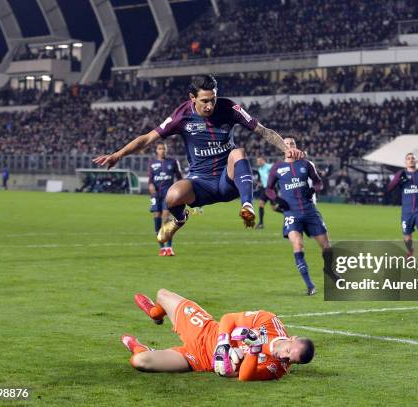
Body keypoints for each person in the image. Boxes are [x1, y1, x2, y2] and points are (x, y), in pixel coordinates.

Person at [93, 75, 303, 246]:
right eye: (204, 101)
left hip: (226, 179)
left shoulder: (230, 108)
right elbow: (148, 138)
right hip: (200, 182)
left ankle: (247, 206)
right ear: (192, 97)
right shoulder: (181, 116)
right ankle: (180, 219)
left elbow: (263, 131)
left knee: (238, 152)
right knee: (172, 196)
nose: (210, 105)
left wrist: (287, 148)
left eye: (213, 99)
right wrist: (118, 154)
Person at [120, 289, 315, 381]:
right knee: (162, 294)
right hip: (205, 329)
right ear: (292, 338)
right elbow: (229, 318)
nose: (285, 357)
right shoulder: (269, 321)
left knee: (139, 361)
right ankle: (155, 314)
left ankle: (141, 347)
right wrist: (223, 343)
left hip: (199, 359)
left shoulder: (276, 368)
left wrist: (254, 350)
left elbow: (245, 377)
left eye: (291, 360)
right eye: (289, 351)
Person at [265, 137, 330, 296]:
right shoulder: (277, 168)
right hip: (291, 213)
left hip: (310, 211)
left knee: (327, 248)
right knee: (298, 245)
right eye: (286, 144)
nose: (289, 146)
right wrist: (276, 199)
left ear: (296, 146)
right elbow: (269, 189)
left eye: (292, 143)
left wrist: (313, 190)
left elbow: (318, 182)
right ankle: (310, 286)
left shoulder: (306, 164)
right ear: (282, 148)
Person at [387, 153, 418, 257]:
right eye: (408, 158)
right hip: (407, 212)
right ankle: (410, 252)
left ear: (416, 161)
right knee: (407, 237)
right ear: (405, 162)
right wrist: (398, 179)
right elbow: (389, 188)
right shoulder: (400, 174)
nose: (411, 160)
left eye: (413, 158)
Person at [148, 142, 183, 256]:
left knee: (166, 217)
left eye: (164, 148)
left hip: (168, 195)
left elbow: (179, 177)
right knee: (157, 217)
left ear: (166, 150)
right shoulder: (152, 163)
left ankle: (169, 247)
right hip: (156, 195)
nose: (162, 150)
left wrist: (177, 190)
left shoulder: (172, 162)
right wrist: (151, 187)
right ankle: (161, 247)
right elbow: (150, 180)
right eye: (160, 148)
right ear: (156, 150)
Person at [255, 156, 273, 229]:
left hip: (272, 189)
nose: (258, 163)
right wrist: (259, 183)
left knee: (274, 207)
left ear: (263, 160)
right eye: (257, 161)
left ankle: (290, 214)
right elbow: (263, 179)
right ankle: (261, 223)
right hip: (265, 189)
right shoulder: (259, 170)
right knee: (261, 204)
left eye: (259, 161)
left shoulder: (270, 167)